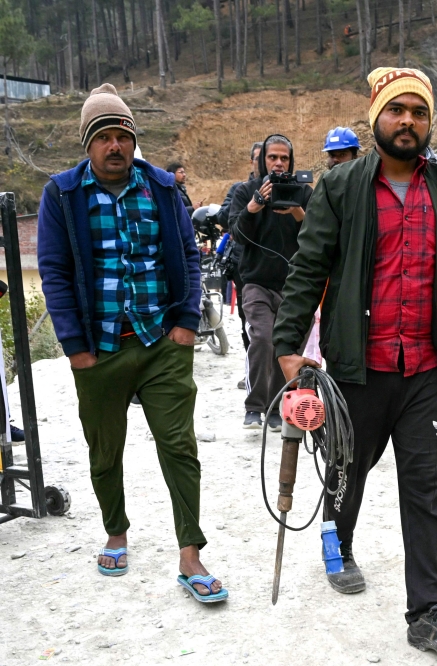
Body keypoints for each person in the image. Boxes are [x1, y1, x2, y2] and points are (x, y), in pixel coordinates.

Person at [272, 67, 437, 661]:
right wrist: (289, 348)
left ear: (428, 122)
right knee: (347, 467)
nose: (409, 121)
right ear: (377, 120)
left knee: (427, 491)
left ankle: (429, 613)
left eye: (419, 112)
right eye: (398, 111)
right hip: (357, 367)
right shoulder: (342, 188)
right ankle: (336, 539)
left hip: (426, 369)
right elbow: (308, 267)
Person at [36, 84, 227, 602]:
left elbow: (187, 255)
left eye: (123, 136)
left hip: (161, 341)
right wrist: (74, 345)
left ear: (133, 141)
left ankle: (191, 554)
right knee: (105, 449)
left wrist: (186, 323)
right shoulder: (62, 194)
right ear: (88, 144)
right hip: (99, 349)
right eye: (104, 137)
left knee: (179, 445)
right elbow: (52, 270)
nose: (115, 146)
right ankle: (116, 531)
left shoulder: (161, 187)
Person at [230, 135, 312, 431]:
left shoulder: (302, 192)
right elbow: (236, 232)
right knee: (263, 338)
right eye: (272, 157)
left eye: (284, 158)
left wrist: (297, 212)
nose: (278, 164)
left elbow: (318, 235)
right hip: (255, 281)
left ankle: (277, 407)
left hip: (293, 284)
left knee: (285, 345)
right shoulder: (246, 191)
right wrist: (254, 206)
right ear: (262, 159)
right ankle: (254, 406)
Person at [219, 141, 263, 363]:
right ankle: (251, 366)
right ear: (252, 160)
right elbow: (222, 218)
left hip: (274, 265)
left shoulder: (284, 188)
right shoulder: (239, 189)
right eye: (259, 157)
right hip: (243, 264)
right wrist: (248, 201)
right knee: (248, 319)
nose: (263, 161)